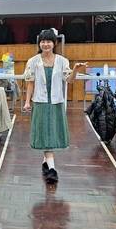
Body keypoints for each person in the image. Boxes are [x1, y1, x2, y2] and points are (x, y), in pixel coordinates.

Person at [23, 29, 85, 184]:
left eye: (49, 41)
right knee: (45, 134)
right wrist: (27, 101)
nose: (46, 44)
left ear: (54, 43)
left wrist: (75, 70)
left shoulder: (62, 61)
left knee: (52, 133)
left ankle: (46, 163)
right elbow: (30, 83)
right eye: (43, 41)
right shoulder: (33, 61)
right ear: (39, 44)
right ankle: (52, 169)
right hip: (40, 102)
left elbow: (69, 80)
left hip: (56, 102)